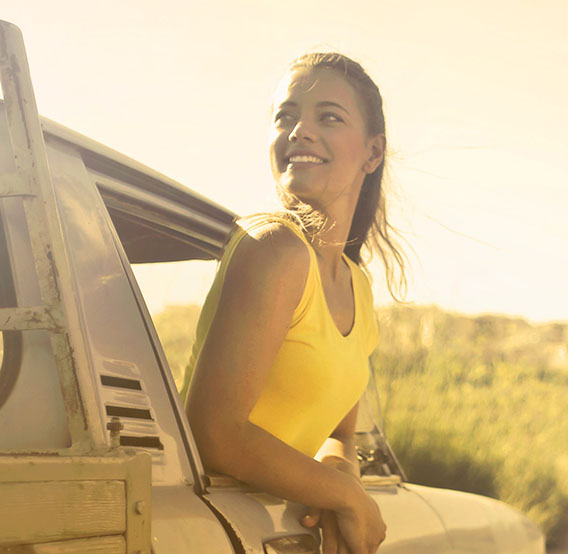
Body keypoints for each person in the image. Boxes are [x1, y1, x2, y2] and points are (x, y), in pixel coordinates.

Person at [181, 53, 406, 554]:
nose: (299, 130)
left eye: (328, 116)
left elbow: (341, 434)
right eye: (285, 116)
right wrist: (347, 499)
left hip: (270, 530)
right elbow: (215, 431)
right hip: (206, 526)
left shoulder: (358, 287)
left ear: (373, 152)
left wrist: (334, 478)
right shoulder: (274, 249)